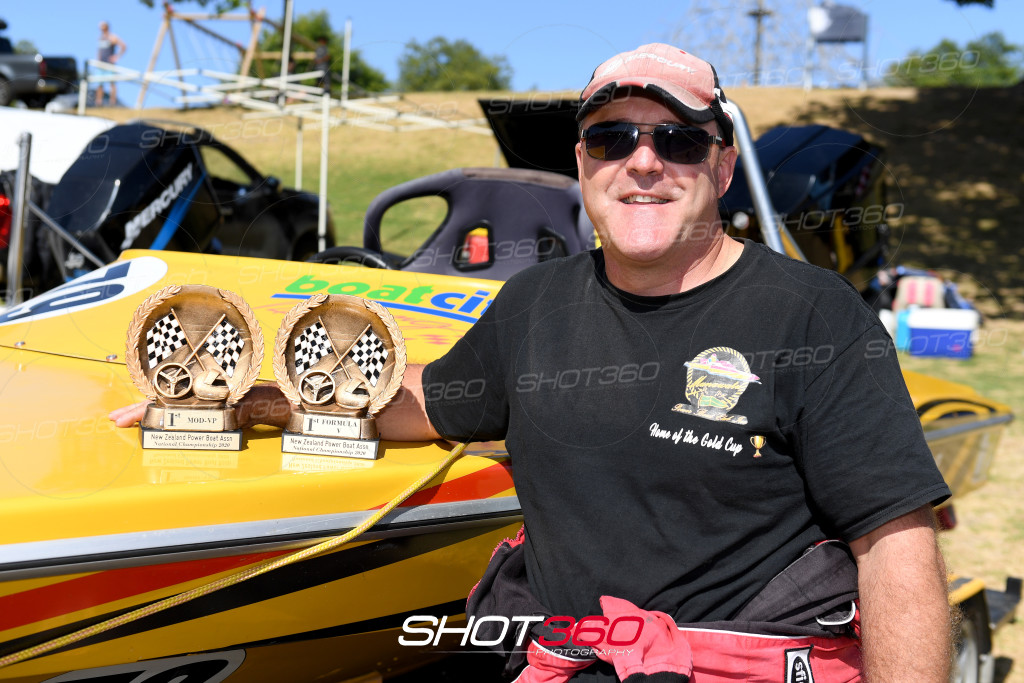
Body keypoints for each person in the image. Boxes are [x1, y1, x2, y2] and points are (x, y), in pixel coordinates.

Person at [112, 43, 953, 682]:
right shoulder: (536, 302)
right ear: (582, 164)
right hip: (566, 660)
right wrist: (251, 398)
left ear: (723, 166)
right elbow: (423, 400)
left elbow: (896, 546)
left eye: (678, 141)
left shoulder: (814, 314)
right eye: (612, 138)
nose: (644, 161)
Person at [95, 21, 126, 107]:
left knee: (112, 83)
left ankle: (112, 103)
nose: (101, 28)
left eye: (102, 26)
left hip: (109, 64)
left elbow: (123, 46)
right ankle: (98, 103)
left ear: (107, 27)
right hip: (100, 65)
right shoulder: (100, 38)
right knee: (99, 84)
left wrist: (117, 56)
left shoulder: (112, 37)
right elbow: (99, 51)